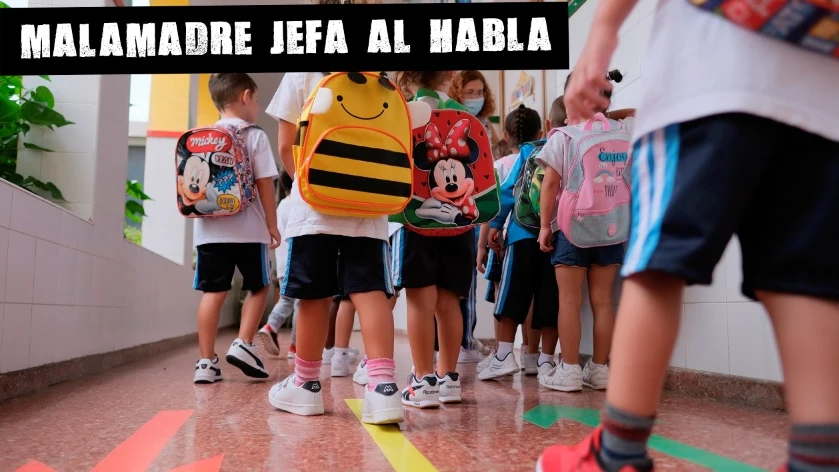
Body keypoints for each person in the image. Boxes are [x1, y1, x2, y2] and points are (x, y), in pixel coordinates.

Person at [537, 0, 839, 469]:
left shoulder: (562, 136)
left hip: (709, 71)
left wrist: (599, 41)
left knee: (657, 262)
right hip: (819, 87)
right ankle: (819, 457)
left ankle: (616, 451)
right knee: (802, 275)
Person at [264, 70, 403, 424]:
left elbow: (285, 144)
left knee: (313, 294)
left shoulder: (302, 73)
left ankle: (306, 385)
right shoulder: (382, 77)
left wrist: (315, 183)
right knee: (370, 291)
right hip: (370, 208)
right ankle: (383, 387)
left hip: (315, 209)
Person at [535, 71, 632, 394]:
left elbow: (550, 185)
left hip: (572, 227)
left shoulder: (563, 137)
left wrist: (544, 227)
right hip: (612, 227)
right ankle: (601, 369)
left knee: (569, 301)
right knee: (603, 301)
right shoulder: (622, 132)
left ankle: (571, 369)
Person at [192, 73, 280, 384]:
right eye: (255, 100)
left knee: (212, 292)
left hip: (209, 229)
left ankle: (205, 362)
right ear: (245, 96)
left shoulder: (201, 138)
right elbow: (265, 184)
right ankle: (243, 342)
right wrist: (272, 224)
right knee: (259, 286)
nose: (256, 107)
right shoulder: (254, 135)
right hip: (249, 229)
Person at [392, 70, 473, 408]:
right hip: (461, 222)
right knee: (449, 301)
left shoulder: (404, 112)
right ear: (450, 74)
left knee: (419, 302)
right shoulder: (463, 115)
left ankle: (423, 381)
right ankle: (449, 378)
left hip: (417, 220)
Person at [480, 105, 559, 381]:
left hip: (521, 235)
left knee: (512, 296)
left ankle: (503, 355)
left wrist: (494, 224)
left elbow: (510, 189)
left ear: (548, 126)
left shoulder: (529, 150)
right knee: (550, 300)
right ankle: (546, 361)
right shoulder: (570, 147)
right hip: (556, 238)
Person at [256, 170, 298, 358]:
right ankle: (296, 346)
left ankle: (271, 326)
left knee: (287, 300)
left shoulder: (281, 205)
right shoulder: (295, 205)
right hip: (295, 262)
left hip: (282, 264)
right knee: (301, 303)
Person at [450, 70, 499, 144]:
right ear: (457, 94)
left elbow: (498, 148)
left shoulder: (485, 121)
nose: (475, 97)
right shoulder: (450, 120)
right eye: (470, 92)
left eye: (480, 92)